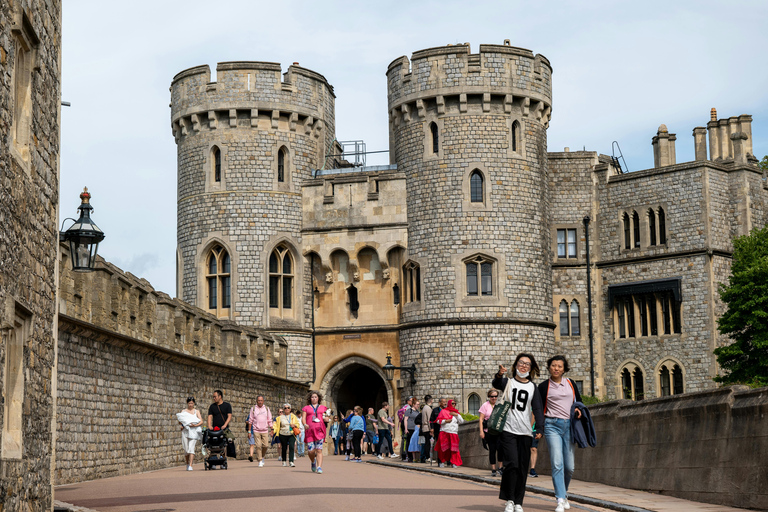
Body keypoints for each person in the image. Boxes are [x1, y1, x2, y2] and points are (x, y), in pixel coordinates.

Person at [492, 354, 545, 512]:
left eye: (527, 364)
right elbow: (496, 383)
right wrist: (500, 373)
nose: (524, 366)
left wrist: (540, 428)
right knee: (512, 464)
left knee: (522, 467)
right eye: (521, 363)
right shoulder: (508, 382)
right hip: (508, 431)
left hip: (526, 432)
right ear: (516, 365)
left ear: (531, 368)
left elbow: (537, 409)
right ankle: (509, 499)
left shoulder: (532, 387)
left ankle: (518, 501)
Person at [538, 355, 583, 512]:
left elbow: (579, 402)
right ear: (549, 367)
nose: (556, 368)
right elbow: (537, 409)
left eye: (559, 366)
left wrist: (578, 409)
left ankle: (563, 493)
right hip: (552, 426)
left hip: (569, 426)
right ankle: (560, 499)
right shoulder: (544, 386)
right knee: (557, 463)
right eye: (553, 365)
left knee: (569, 467)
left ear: (564, 369)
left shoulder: (571, 383)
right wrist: (538, 428)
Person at [301, 390, 329, 474]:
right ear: (310, 398)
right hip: (310, 431)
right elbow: (303, 418)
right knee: (311, 451)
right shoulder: (306, 408)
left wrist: (326, 419)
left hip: (320, 431)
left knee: (319, 450)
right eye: (312, 397)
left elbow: (327, 417)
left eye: (315, 397)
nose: (314, 398)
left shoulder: (323, 408)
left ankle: (319, 467)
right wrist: (305, 424)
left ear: (318, 398)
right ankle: (313, 461)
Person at [478, 389, 502, 477]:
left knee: (500, 449)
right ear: (489, 397)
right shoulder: (485, 405)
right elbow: (481, 419)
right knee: (492, 450)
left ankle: (500, 468)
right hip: (489, 431)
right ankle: (493, 469)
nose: (494, 398)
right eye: (492, 396)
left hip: (498, 431)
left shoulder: (499, 405)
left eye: (496, 396)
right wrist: (481, 431)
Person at [435, 399, 464, 468]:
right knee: (443, 448)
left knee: (454, 449)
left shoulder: (456, 413)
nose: (454, 405)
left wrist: (456, 415)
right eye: (452, 403)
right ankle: (442, 461)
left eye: (454, 403)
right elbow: (438, 421)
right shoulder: (443, 411)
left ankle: (453, 462)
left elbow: (461, 421)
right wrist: (445, 421)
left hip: (453, 432)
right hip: (444, 432)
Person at [177, 397, 203, 471]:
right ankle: (187, 463)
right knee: (186, 449)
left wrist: (195, 425)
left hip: (194, 431)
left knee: (191, 448)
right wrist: (182, 425)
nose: (190, 405)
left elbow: (201, 421)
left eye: (192, 403)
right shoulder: (184, 411)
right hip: (185, 431)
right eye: (189, 403)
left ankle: (190, 465)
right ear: (187, 403)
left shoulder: (196, 412)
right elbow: (180, 421)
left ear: (194, 403)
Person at [247, 395, 273, 467]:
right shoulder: (253, 409)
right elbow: (250, 421)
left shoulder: (267, 409)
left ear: (263, 401)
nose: (260, 402)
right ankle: (260, 460)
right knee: (258, 446)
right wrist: (249, 431)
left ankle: (262, 456)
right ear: (256, 401)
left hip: (265, 430)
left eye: (261, 400)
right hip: (256, 430)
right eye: (259, 400)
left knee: (266, 446)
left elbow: (269, 420)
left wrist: (272, 429)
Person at [207, 390, 233, 460]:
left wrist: (225, 424)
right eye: (213, 397)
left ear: (220, 396)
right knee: (211, 441)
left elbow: (229, 416)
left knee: (229, 440)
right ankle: (213, 456)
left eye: (215, 397)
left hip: (224, 428)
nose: (214, 398)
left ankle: (223, 456)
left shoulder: (227, 405)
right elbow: (210, 416)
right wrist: (209, 425)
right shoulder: (212, 406)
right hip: (215, 428)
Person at [403, 397, 420, 462]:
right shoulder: (408, 411)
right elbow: (405, 420)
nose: (418, 406)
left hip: (416, 429)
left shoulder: (418, 412)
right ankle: (409, 457)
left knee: (414, 443)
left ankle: (415, 457)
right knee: (409, 442)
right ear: (413, 404)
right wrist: (406, 429)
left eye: (418, 404)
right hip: (410, 428)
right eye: (417, 404)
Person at [429, 397, 446, 462]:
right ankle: (440, 460)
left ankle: (446, 460)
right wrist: (432, 428)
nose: (445, 403)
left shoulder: (447, 410)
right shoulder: (435, 410)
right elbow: (431, 420)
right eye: (443, 402)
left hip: (445, 430)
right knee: (439, 445)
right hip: (437, 430)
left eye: (445, 402)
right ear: (439, 403)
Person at [420, 395, 433, 463]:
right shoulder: (428, 408)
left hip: (424, 427)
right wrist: (431, 428)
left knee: (426, 443)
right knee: (427, 443)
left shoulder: (424, 407)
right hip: (427, 428)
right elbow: (429, 420)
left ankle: (425, 457)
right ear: (431, 400)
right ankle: (427, 457)